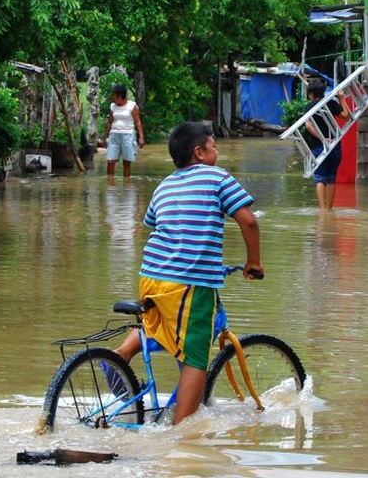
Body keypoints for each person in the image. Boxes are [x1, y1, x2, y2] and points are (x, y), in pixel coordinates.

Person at [112, 121, 263, 425]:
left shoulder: (165, 184)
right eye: (214, 146)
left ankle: (121, 355)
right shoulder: (217, 177)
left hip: (151, 277)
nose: (217, 152)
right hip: (189, 282)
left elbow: (154, 225)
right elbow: (248, 221)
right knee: (196, 358)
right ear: (200, 153)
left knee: (164, 327)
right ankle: (180, 438)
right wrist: (254, 263)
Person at [304, 77, 351, 211]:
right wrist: (341, 98)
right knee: (331, 179)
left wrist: (323, 139)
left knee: (320, 178)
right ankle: (329, 209)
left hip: (319, 146)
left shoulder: (309, 107)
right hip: (335, 145)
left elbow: (308, 126)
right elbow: (346, 117)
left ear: (311, 93)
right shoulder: (330, 103)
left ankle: (323, 211)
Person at [103, 84, 145, 178]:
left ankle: (127, 185)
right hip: (114, 135)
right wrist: (105, 137)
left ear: (120, 95)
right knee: (110, 161)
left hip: (128, 135)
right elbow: (110, 122)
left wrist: (141, 137)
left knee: (126, 162)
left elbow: (138, 121)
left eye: (113, 95)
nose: (112, 97)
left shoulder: (132, 106)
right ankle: (110, 185)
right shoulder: (112, 106)